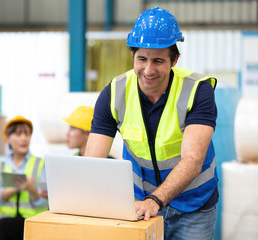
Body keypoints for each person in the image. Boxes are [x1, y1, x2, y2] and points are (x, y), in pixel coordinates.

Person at [84, 7, 218, 240]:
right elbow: (92, 162)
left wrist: (156, 200)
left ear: (174, 60)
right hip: (140, 206)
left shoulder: (198, 90)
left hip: (193, 206)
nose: (148, 70)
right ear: (133, 57)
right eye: (142, 59)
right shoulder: (115, 93)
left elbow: (193, 160)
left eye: (158, 61)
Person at [0, 116, 48, 240]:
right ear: (8, 139)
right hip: (4, 220)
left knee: (1, 228)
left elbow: (43, 203)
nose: (24, 138)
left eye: (27, 134)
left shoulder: (40, 163)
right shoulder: (1, 163)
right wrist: (16, 188)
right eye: (18, 134)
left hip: (30, 222)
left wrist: (31, 189)